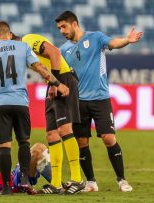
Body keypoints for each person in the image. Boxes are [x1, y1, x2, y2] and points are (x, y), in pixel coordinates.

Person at [0, 21, 69, 195]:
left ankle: (6, 187)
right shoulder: (23, 47)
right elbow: (40, 68)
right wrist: (57, 83)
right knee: (24, 142)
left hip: (1, 104)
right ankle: (25, 180)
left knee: (4, 146)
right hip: (21, 102)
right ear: (9, 34)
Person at [55, 10, 143, 192]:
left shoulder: (95, 38)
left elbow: (113, 43)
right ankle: (91, 182)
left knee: (109, 138)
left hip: (100, 98)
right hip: (78, 101)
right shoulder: (63, 50)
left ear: (74, 24)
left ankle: (122, 180)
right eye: (59, 28)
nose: (62, 31)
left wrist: (127, 40)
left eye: (64, 26)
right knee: (81, 142)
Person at [11, 33, 85, 194]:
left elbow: (55, 52)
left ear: (11, 36)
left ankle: (77, 179)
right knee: (51, 134)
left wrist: (54, 83)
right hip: (52, 83)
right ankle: (56, 184)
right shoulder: (22, 54)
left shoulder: (27, 41)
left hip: (62, 80)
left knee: (65, 129)